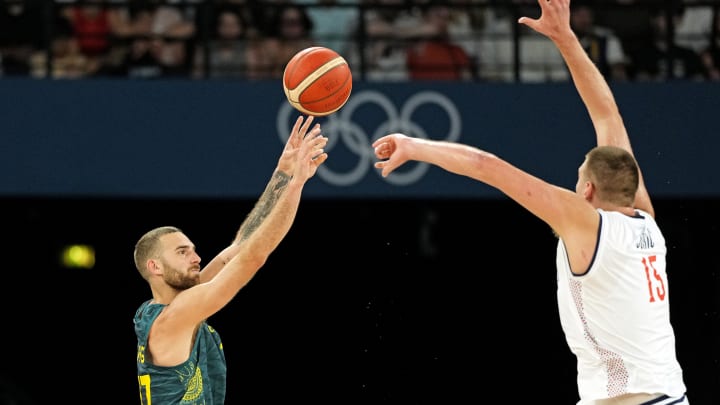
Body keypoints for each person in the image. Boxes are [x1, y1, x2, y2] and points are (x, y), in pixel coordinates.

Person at [372, 0, 689, 404]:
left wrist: (414, 144)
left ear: (588, 190)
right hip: (670, 395)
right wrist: (566, 38)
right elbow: (607, 116)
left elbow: (486, 166)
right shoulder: (647, 220)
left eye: (578, 178)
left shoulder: (585, 223)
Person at [134, 115, 328, 404]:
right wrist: (297, 184)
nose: (196, 257)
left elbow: (240, 246)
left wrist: (282, 174)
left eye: (192, 249)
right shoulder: (172, 318)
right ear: (155, 267)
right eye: (182, 252)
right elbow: (253, 258)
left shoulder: (173, 304)